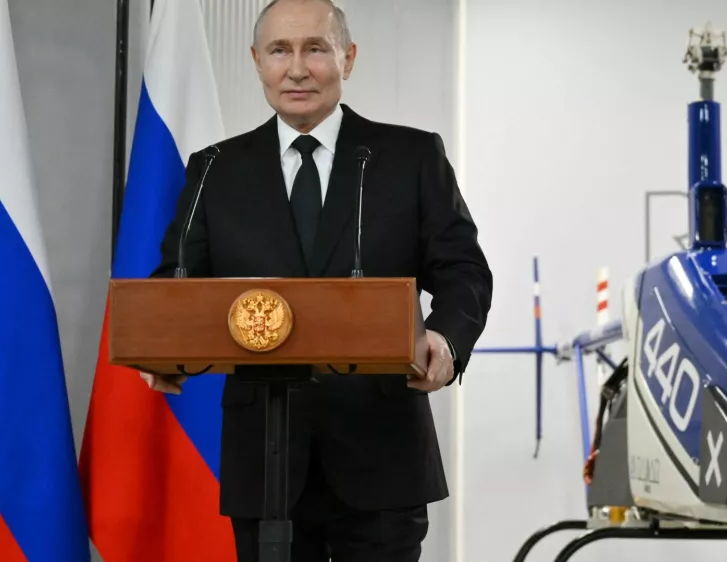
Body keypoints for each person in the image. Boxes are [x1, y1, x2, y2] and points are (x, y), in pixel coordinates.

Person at [140, 0, 492, 560]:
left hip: (382, 452)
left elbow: (464, 270)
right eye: (280, 50)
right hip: (266, 460)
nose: (297, 68)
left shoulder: (410, 156)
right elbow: (177, 285)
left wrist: (445, 339)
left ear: (347, 59)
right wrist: (164, 349)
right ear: (257, 61)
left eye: (316, 49)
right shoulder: (214, 168)